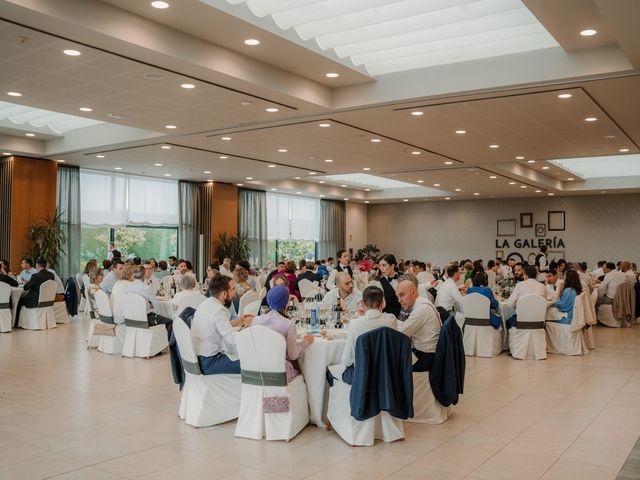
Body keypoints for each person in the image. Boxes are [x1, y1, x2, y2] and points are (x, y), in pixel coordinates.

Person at [191, 275, 253, 375]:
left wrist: (239, 321)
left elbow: (218, 325)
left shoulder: (206, 303)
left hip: (198, 358)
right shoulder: (219, 310)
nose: (235, 293)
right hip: (209, 362)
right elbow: (233, 339)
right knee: (253, 364)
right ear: (224, 294)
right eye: (233, 289)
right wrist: (248, 327)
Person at [252, 285, 314, 382]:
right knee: (306, 373)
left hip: (257, 369)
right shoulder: (288, 324)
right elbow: (293, 355)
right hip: (280, 372)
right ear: (286, 303)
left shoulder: (256, 321)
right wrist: (306, 341)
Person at [337, 286, 397, 384]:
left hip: (363, 376)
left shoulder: (355, 324)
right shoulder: (392, 320)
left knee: (330, 373)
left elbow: (347, 360)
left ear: (362, 304)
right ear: (382, 303)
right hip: (386, 373)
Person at [395, 274, 441, 371]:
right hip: (425, 352)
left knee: (391, 363)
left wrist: (387, 320)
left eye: (402, 295)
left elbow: (400, 333)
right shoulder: (421, 303)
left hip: (426, 357)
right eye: (398, 296)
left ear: (414, 292)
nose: (399, 300)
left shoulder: (421, 309)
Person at [14, 258, 55, 327]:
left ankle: (16, 323)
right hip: (48, 300)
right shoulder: (51, 275)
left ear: (37, 265)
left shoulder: (36, 276)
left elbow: (26, 287)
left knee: (19, 300)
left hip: (35, 300)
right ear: (45, 265)